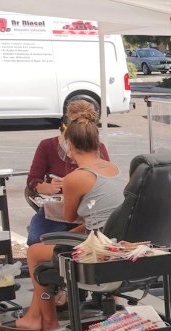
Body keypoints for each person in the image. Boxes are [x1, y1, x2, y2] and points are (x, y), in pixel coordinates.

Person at [0, 107, 126, 331]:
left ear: (71, 145)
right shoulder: (113, 169)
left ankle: (48, 321)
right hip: (111, 238)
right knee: (47, 241)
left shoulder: (76, 177)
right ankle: (37, 315)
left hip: (97, 247)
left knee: (35, 253)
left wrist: (66, 187)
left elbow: (69, 215)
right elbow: (94, 217)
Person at [24, 101, 111, 245]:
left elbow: (105, 179)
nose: (70, 155)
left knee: (46, 246)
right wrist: (48, 187)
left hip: (88, 212)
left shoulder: (98, 149)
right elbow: (33, 180)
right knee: (37, 240)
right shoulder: (47, 146)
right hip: (57, 212)